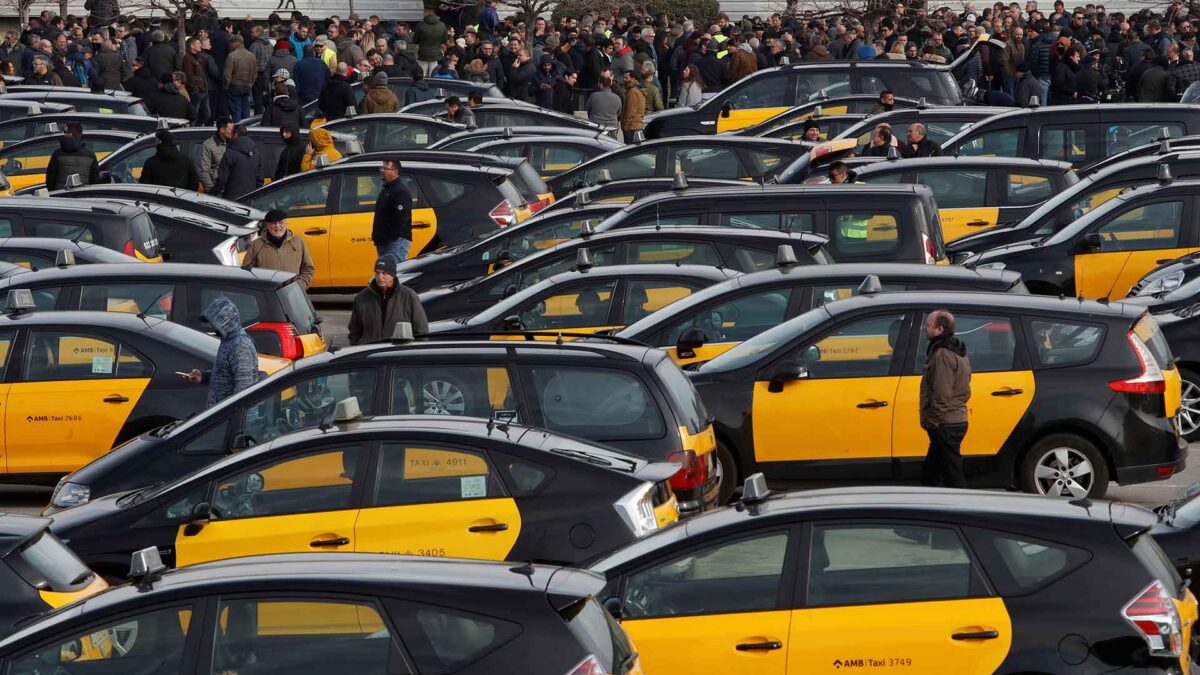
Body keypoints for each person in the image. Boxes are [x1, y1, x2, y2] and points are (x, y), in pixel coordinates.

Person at [919, 310, 971, 489]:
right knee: (933, 472)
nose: (925, 329)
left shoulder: (942, 354)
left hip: (945, 423)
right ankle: (932, 505)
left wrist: (932, 420)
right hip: (954, 419)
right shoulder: (958, 349)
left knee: (952, 475)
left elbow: (942, 393)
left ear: (939, 329)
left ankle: (960, 510)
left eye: (928, 325)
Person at [184, 296, 260, 407]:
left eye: (213, 324)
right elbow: (226, 375)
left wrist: (230, 415)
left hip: (230, 416)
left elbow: (244, 388)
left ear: (224, 322)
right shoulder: (229, 341)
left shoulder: (240, 345)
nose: (211, 327)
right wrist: (203, 376)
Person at [347, 255, 429, 345]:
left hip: (397, 353)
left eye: (384, 273)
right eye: (377, 273)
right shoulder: (362, 297)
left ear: (393, 275)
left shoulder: (409, 296)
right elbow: (354, 330)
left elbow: (421, 330)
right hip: (369, 353)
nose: (380, 277)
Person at [242, 208, 315, 290]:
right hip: (267, 295)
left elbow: (308, 269)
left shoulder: (298, 242)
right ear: (267, 224)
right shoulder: (256, 245)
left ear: (286, 223)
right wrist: (260, 289)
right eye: (273, 223)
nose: (277, 226)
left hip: (293, 294)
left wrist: (299, 286)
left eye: (281, 222)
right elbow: (247, 271)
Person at [373, 159, 412, 261]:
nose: (382, 171)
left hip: (395, 243)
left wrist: (391, 237)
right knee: (385, 274)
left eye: (385, 168)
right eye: (381, 168)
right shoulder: (386, 189)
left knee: (394, 273)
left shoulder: (400, 191)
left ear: (395, 172)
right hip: (385, 242)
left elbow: (400, 220)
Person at [213, 124, 263, 201]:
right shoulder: (256, 152)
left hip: (232, 199)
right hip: (250, 199)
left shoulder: (230, 153)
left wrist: (212, 194)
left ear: (235, 134)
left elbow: (222, 180)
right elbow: (260, 179)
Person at [45, 122, 99, 190]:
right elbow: (95, 181)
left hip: (60, 195)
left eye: (65, 132)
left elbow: (50, 180)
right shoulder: (90, 155)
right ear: (80, 134)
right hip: (83, 195)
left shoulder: (57, 154)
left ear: (67, 134)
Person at [223, 34, 257, 122]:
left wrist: (226, 86)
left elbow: (227, 74)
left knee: (235, 110)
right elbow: (254, 73)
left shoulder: (232, 56)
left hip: (235, 86)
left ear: (236, 43)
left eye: (232, 43)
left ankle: (237, 130)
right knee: (246, 110)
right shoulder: (251, 56)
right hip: (247, 86)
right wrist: (250, 84)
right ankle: (246, 129)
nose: (231, 45)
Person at [199, 116, 234, 193]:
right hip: (217, 190)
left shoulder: (234, 143)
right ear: (222, 130)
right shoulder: (208, 145)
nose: (233, 132)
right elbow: (203, 171)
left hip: (232, 189)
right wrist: (212, 191)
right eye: (230, 130)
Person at [619, 69, 645, 140]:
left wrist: (625, 127)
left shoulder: (632, 92)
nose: (624, 80)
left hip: (632, 127)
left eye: (626, 78)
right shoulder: (636, 90)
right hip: (637, 126)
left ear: (633, 78)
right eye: (624, 77)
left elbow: (630, 112)